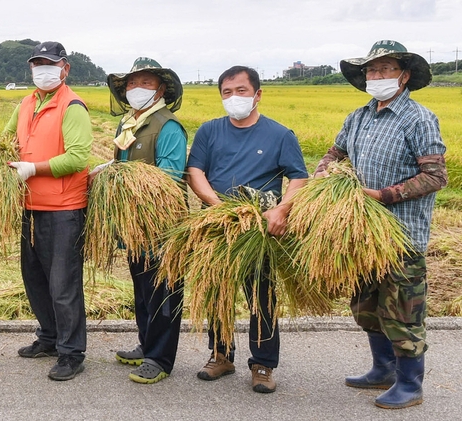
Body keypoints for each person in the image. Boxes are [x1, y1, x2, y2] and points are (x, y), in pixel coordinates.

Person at [315, 40, 447, 409]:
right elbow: (335, 152)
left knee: (403, 311)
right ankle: (382, 369)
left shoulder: (418, 118)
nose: (377, 76)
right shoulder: (359, 116)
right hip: (361, 234)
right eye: (371, 71)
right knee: (367, 306)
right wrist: (324, 174)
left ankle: (410, 384)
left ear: (404, 76)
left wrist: (383, 196)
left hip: (401, 234)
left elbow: (435, 176)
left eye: (386, 69)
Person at [186, 66, 308, 393]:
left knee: (260, 297)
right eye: (227, 92)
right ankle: (221, 355)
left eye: (241, 91)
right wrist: (216, 205)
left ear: (257, 94)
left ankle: (264, 364)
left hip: (258, 232)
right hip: (218, 227)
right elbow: (195, 171)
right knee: (216, 294)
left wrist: (282, 208)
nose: (234, 98)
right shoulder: (210, 131)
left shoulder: (280, 135)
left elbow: (298, 177)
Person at [94, 57, 187, 384]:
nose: (136, 89)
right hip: (133, 225)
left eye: (145, 83)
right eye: (132, 84)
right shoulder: (128, 124)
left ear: (161, 88)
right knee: (143, 290)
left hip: (162, 227)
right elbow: (119, 162)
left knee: (163, 293)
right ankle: (147, 344)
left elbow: (170, 176)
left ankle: (159, 359)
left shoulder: (168, 125)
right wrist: (107, 172)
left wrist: (123, 177)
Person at [5, 41, 93, 381]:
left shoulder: (72, 106)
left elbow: (77, 158)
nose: (43, 69)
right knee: (36, 280)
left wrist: (33, 168)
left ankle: (71, 353)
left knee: (63, 284)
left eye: (50, 63)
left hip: (63, 209)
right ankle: (50, 337)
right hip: (30, 206)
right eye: (37, 64)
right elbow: (6, 139)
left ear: (64, 68)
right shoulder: (26, 103)